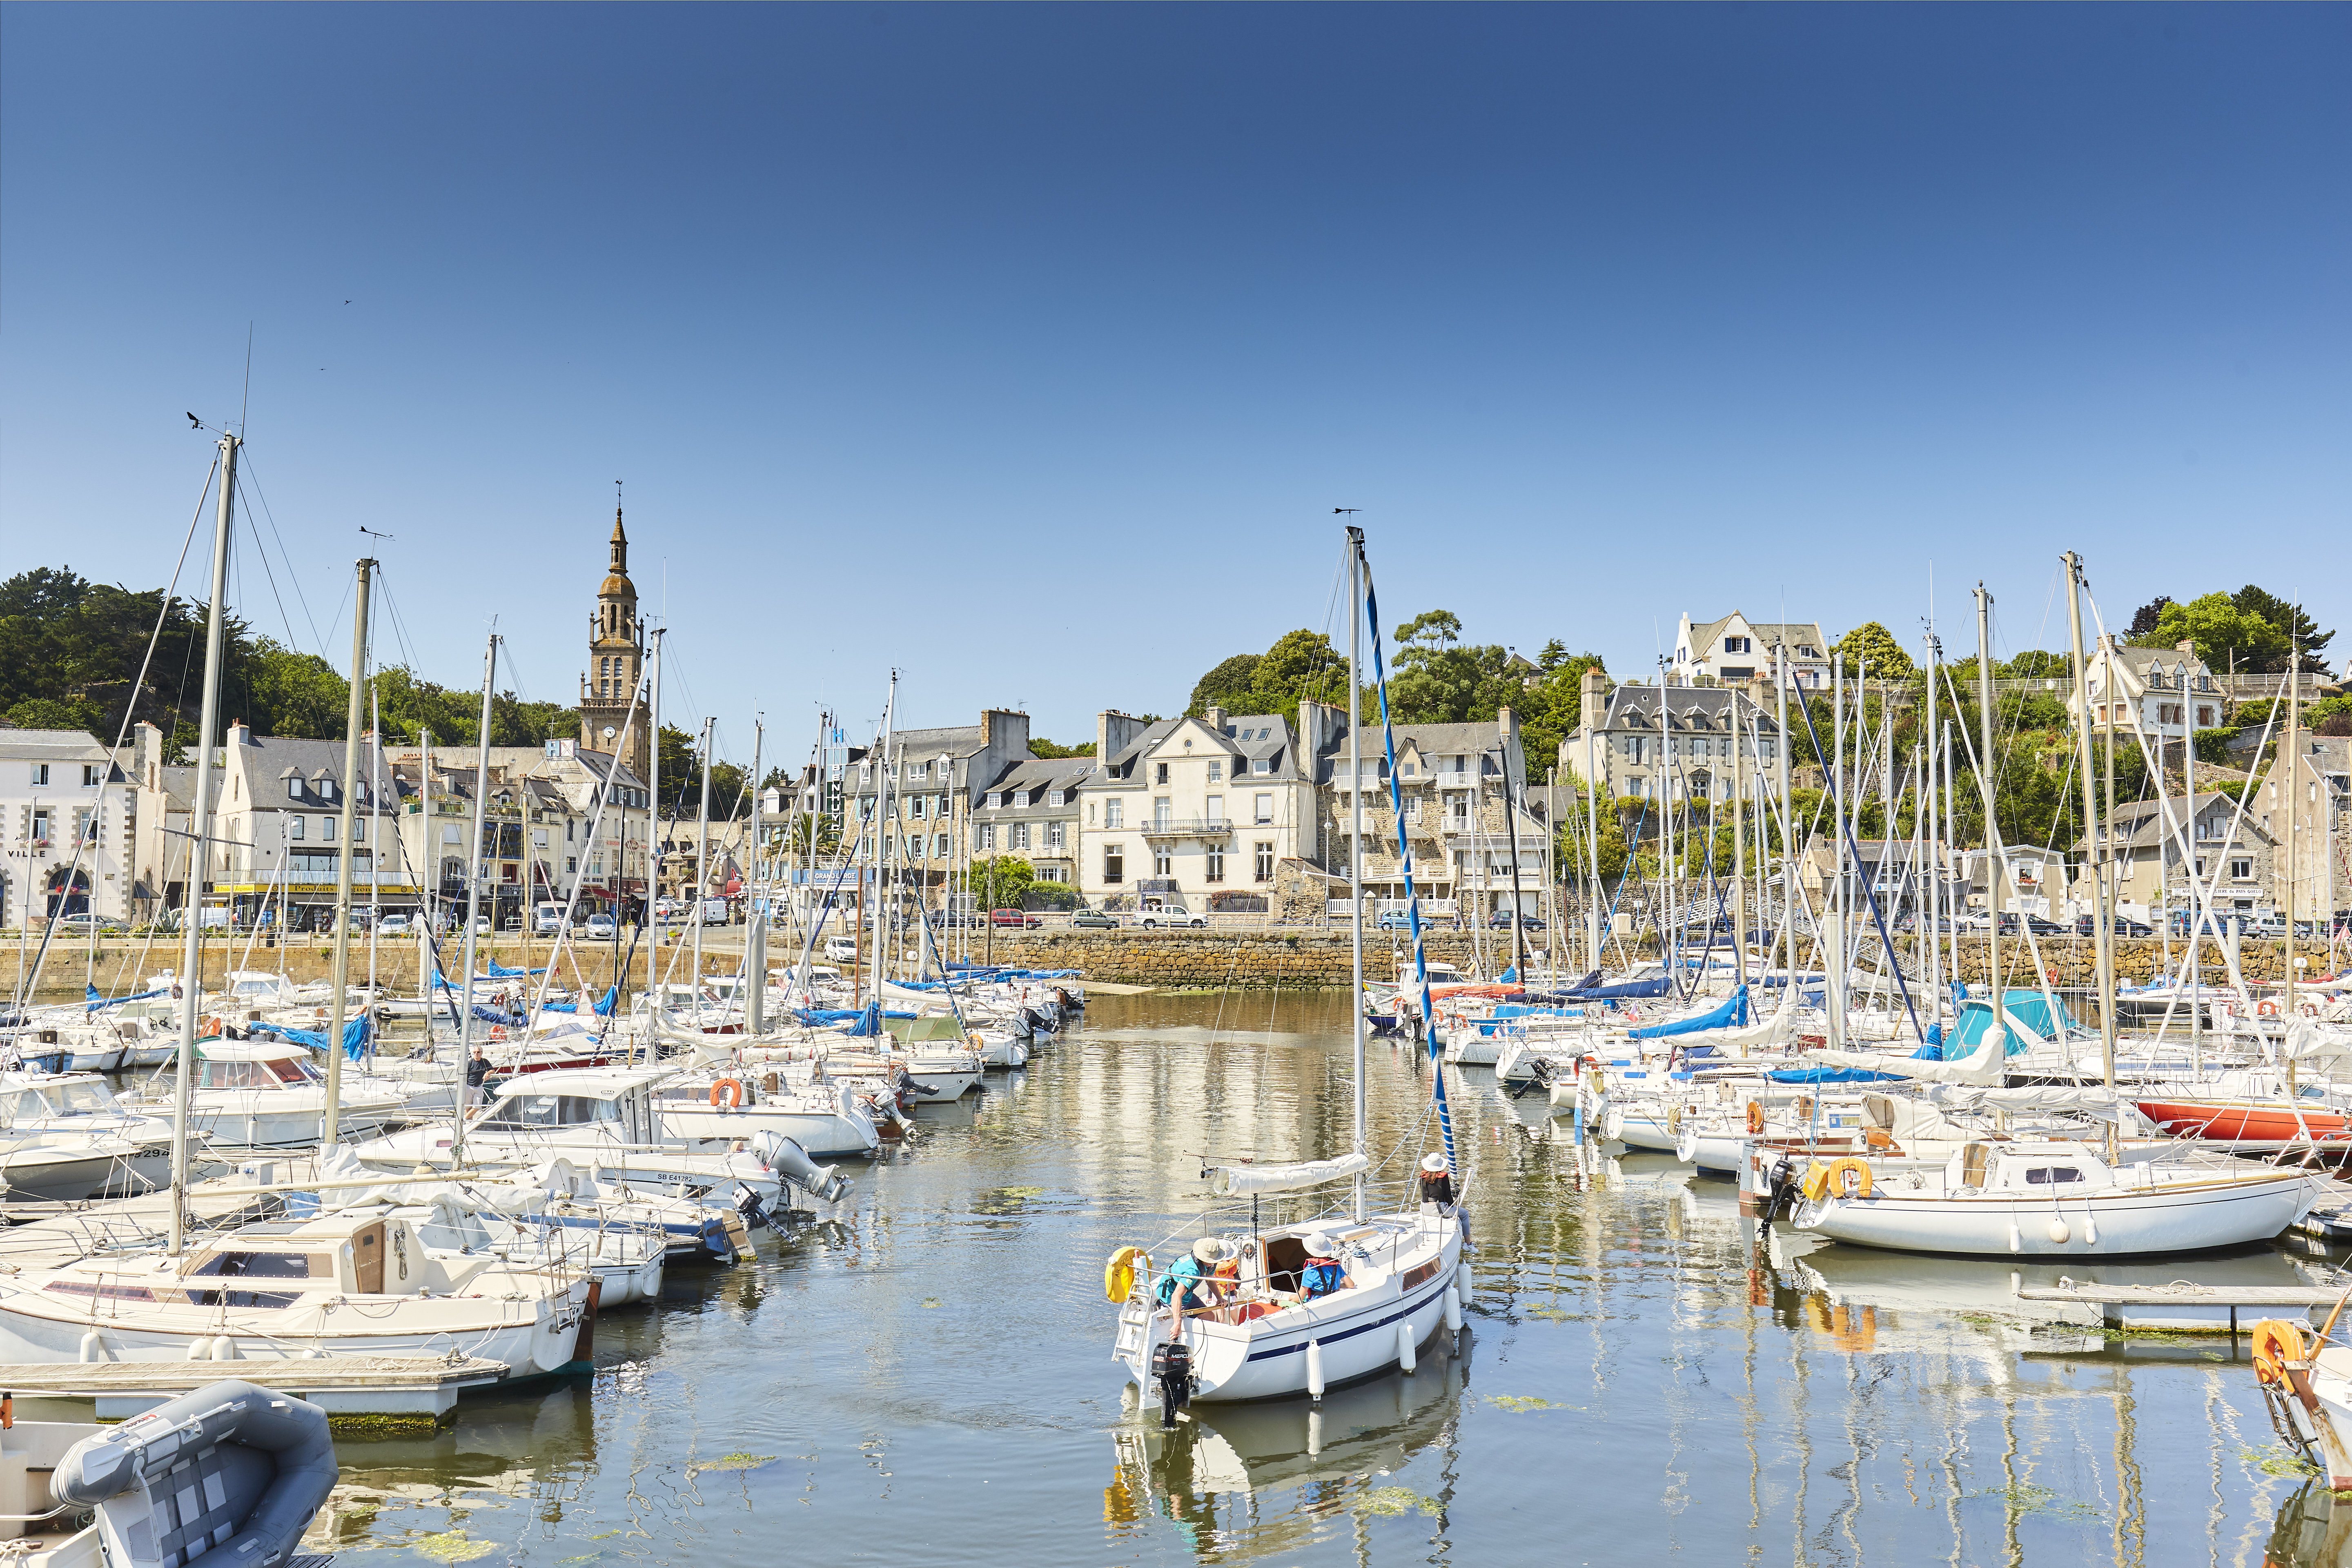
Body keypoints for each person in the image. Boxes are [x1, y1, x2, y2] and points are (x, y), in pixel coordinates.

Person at [1156, 1237, 1230, 1317]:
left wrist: (1219, 1298)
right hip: (1171, 1294)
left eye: (1213, 1260)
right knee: (1181, 1323)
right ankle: (1162, 1306)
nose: (1211, 1264)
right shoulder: (1192, 1271)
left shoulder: (1212, 1263)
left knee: (1210, 1316)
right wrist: (1177, 1324)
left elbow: (1209, 1278)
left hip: (1188, 1295)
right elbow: (1176, 1296)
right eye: (1209, 1260)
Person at [1298, 1234, 1350, 1301]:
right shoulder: (1336, 1265)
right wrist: (1338, 1286)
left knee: (1291, 1298)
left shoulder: (1310, 1269)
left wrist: (1291, 1299)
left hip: (1317, 1303)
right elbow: (1350, 1285)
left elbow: (1300, 1298)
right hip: (1335, 1299)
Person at [462, 1045, 492, 1117]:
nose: (476, 1054)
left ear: (481, 1053)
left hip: (479, 1087)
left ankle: (464, 1119)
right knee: (468, 1107)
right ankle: (469, 1124)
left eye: (478, 1052)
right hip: (469, 1086)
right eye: (475, 1052)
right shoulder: (470, 1063)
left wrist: (488, 1073)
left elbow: (492, 1070)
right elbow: (464, 1074)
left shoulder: (485, 1062)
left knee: (477, 1106)